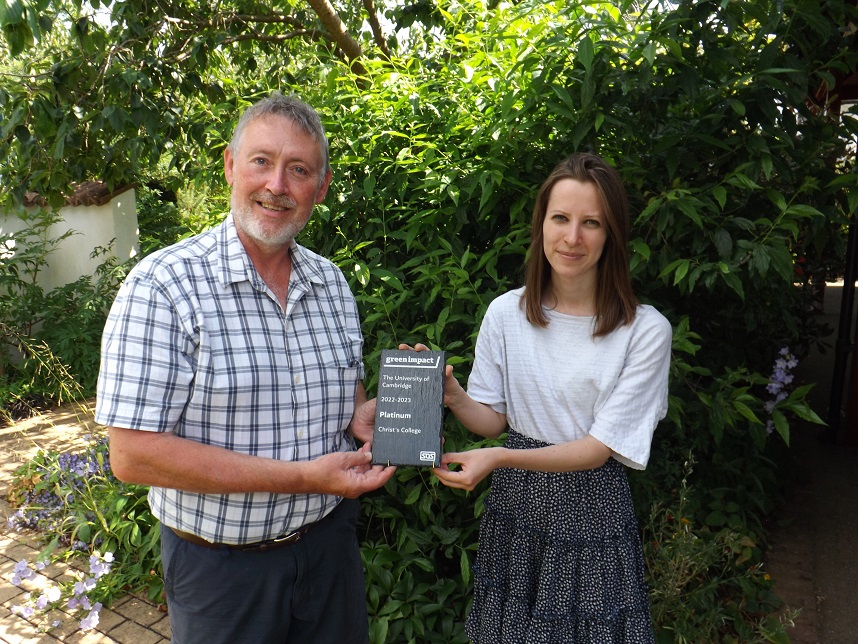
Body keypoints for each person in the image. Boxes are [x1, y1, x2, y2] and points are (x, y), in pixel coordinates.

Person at [96, 92, 396, 644]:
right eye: (262, 161)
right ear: (231, 166)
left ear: (320, 188)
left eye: (299, 169)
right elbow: (132, 455)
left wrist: (364, 414)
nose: (277, 185)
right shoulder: (163, 286)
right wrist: (302, 479)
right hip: (222, 572)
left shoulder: (332, 284)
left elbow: (345, 392)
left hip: (329, 552)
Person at [430, 152, 672, 642]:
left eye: (592, 223)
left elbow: (597, 449)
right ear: (541, 223)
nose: (573, 237)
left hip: (591, 516)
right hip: (516, 511)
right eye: (560, 218)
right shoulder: (505, 313)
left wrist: (498, 459)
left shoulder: (645, 331)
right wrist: (454, 396)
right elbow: (494, 420)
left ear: (612, 236)